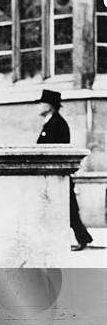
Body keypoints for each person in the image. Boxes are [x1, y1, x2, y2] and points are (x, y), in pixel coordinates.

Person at [36, 89, 93, 251]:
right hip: (54, 175)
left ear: (50, 106)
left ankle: (82, 239)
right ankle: (83, 238)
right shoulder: (51, 122)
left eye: (42, 103)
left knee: (69, 209)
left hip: (58, 175)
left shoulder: (56, 124)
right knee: (69, 209)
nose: (39, 106)